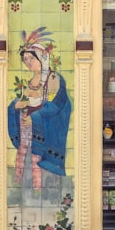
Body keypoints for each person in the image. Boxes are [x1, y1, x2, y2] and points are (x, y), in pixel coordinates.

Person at [8, 27, 71, 188]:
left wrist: (34, 117)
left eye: (31, 58)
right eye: (25, 59)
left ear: (42, 58)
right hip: (26, 130)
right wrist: (15, 106)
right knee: (22, 159)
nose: (28, 63)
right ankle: (20, 190)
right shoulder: (29, 82)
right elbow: (20, 101)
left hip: (42, 130)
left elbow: (57, 104)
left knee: (37, 161)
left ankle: (40, 190)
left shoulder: (53, 78)